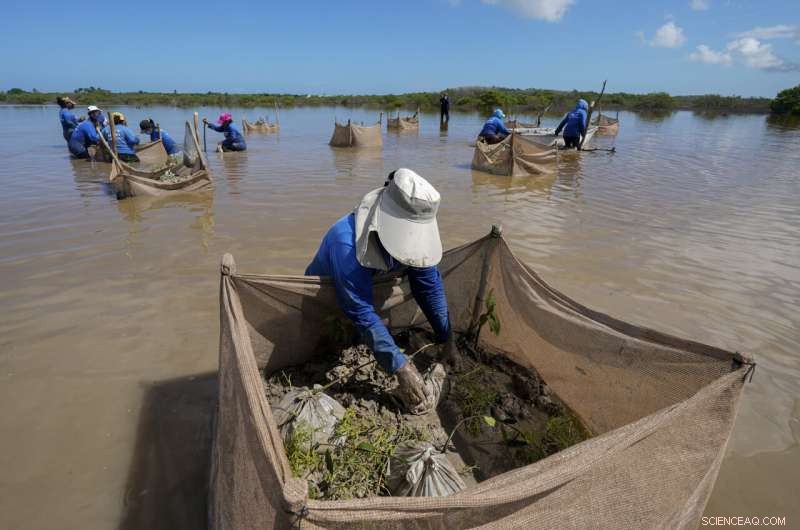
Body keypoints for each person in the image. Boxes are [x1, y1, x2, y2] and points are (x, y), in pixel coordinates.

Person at [305, 168, 456, 414]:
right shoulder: (345, 242)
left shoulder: (417, 245)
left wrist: (447, 339)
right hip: (327, 301)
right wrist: (401, 367)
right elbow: (360, 311)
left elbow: (429, 287)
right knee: (324, 344)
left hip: (365, 298)